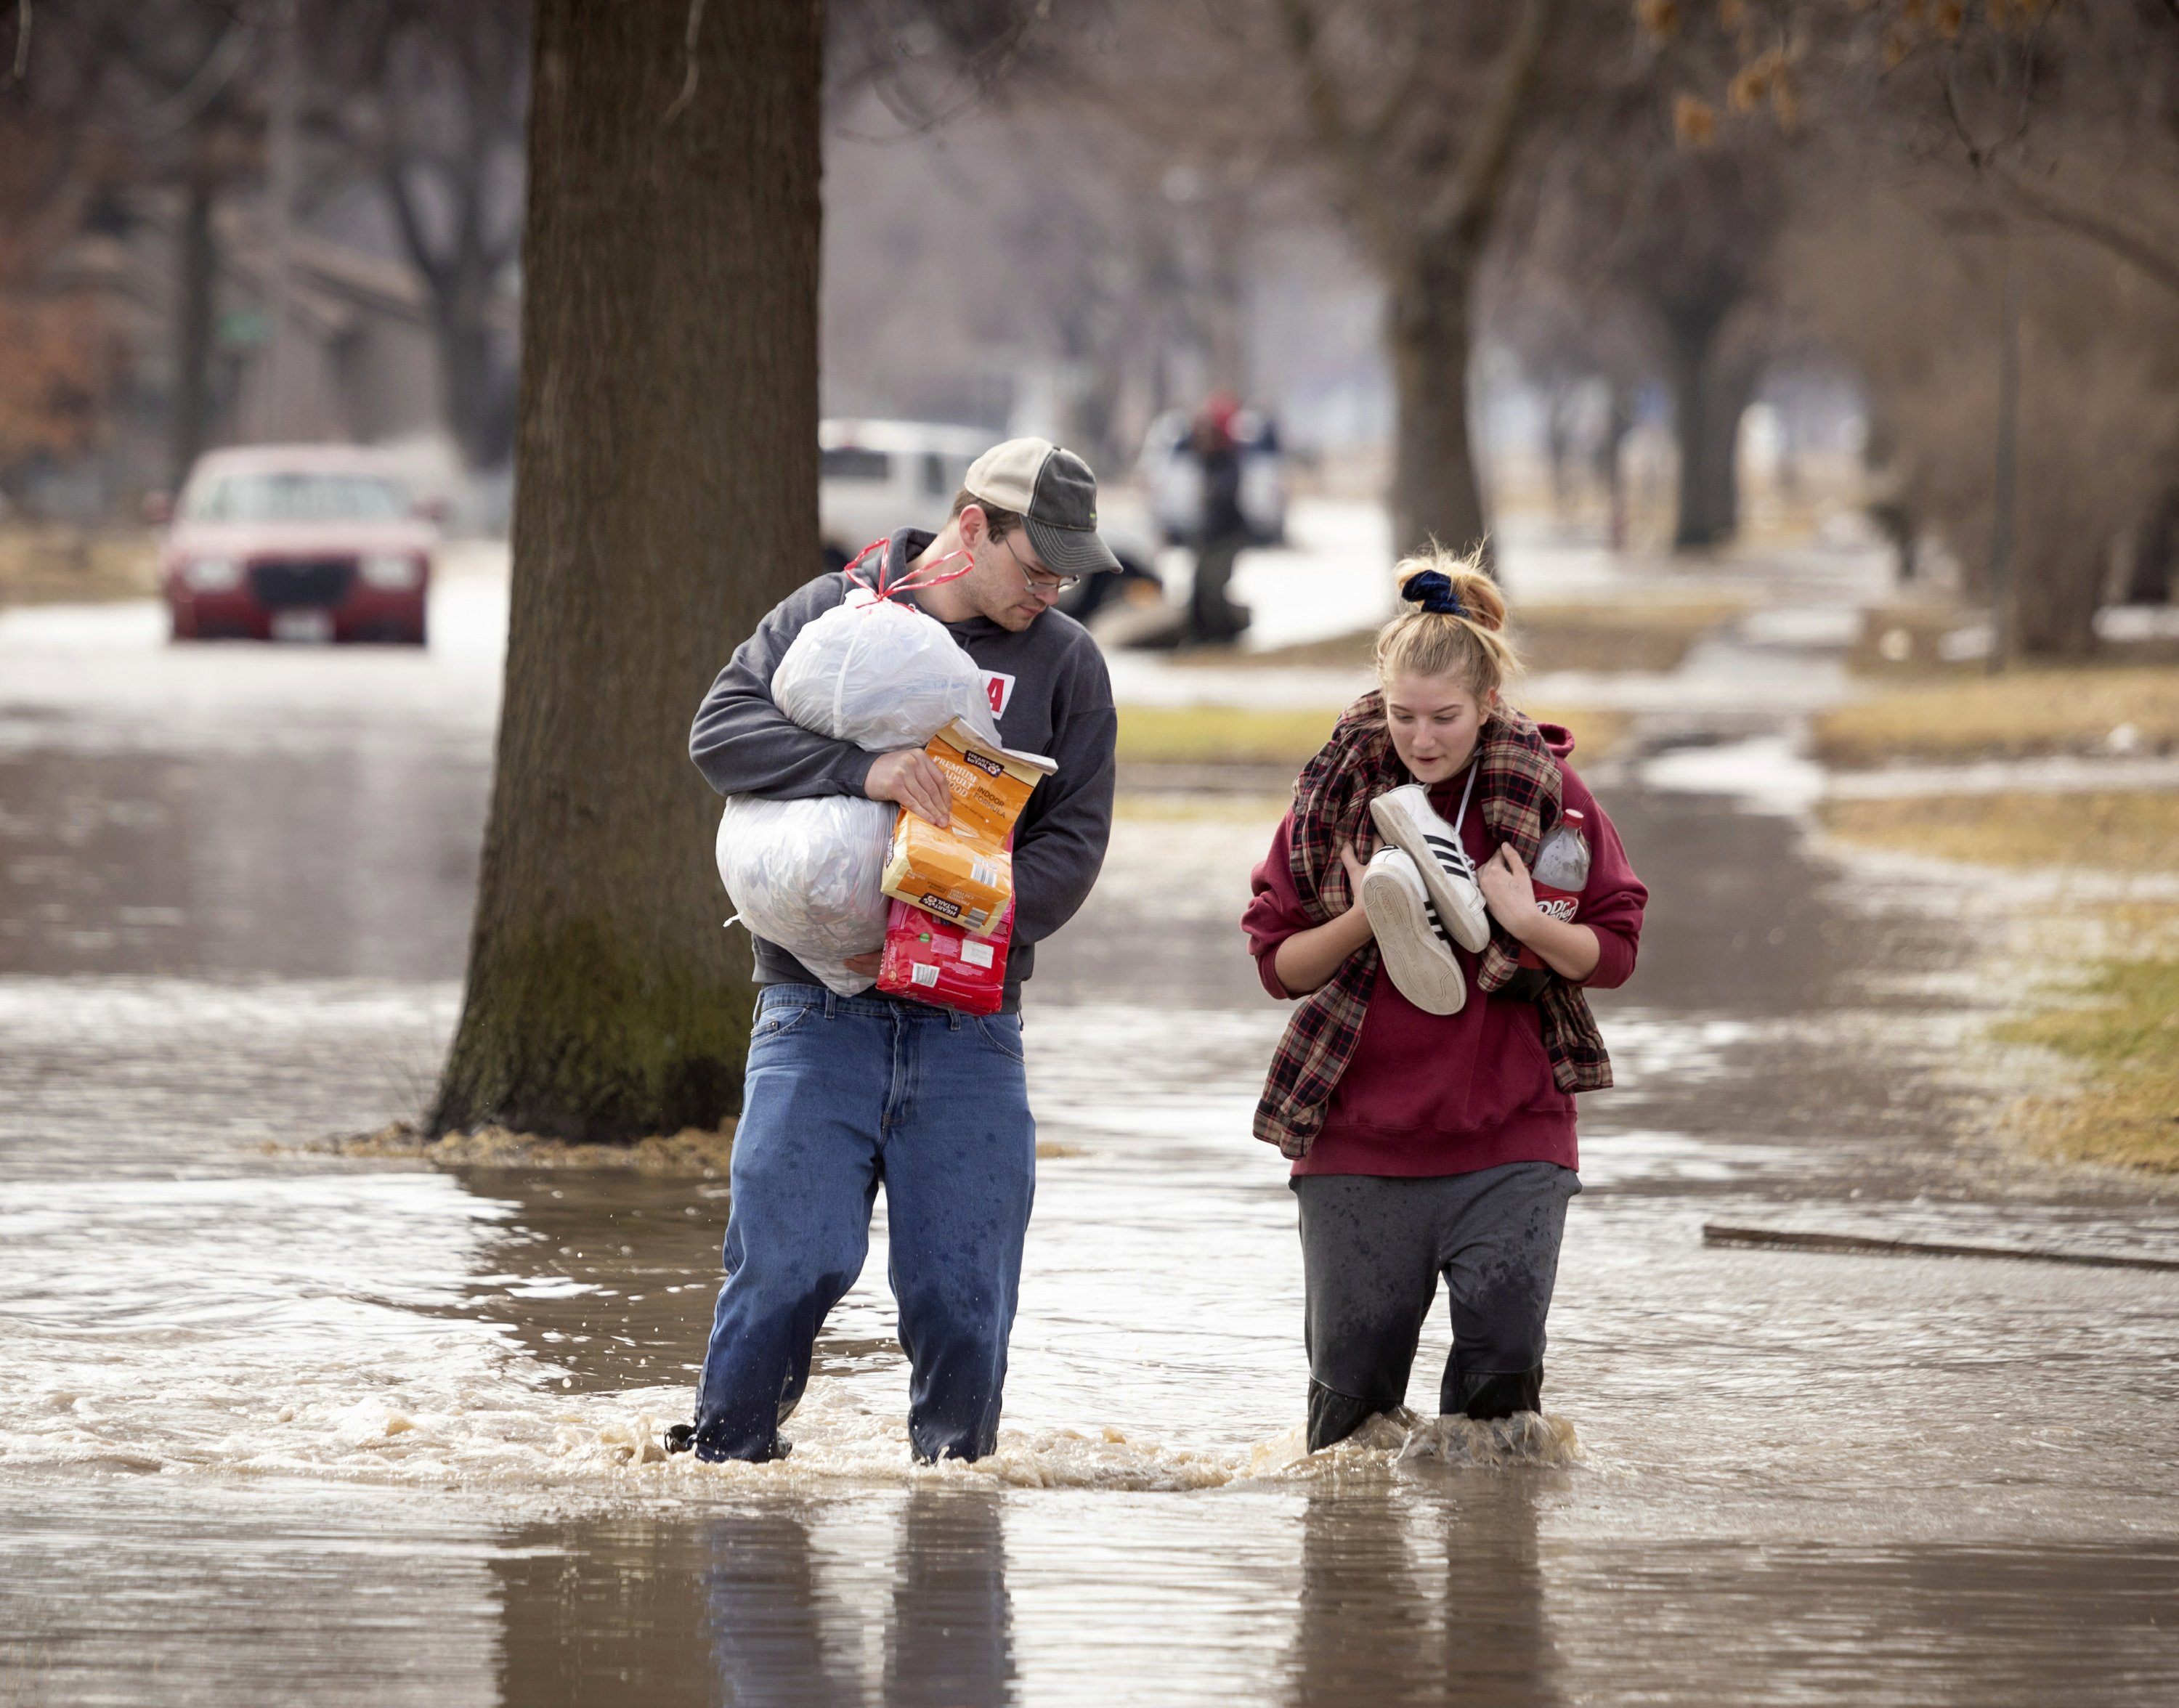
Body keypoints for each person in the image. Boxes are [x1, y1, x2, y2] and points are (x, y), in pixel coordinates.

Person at [672, 437, 1121, 1464]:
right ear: (972, 529)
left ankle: (953, 1499)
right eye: (1036, 563)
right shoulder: (836, 610)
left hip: (971, 1022)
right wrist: (860, 769)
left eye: (1068, 571)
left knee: (963, 1296)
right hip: (811, 1012)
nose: (1052, 589)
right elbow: (720, 733)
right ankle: (727, 1472)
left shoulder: (1068, 664)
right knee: (790, 1265)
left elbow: (1077, 841)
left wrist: (970, 915)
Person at [1240, 549, 1647, 1452]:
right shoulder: (1331, 800)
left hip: (1512, 1143)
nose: (1421, 740)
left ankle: (1493, 1583)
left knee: (1503, 1423)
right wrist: (1360, 920)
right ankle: (1361, 1578)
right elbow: (1278, 967)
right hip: (1356, 1146)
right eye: (1401, 715)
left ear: (1490, 703)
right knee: (1350, 1439)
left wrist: (1520, 919)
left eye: (1445, 719)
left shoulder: (1556, 801)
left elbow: (1614, 951)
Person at [1185, 393, 1252, 645]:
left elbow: (1222, 499)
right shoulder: (1206, 460)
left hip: (1226, 536)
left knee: (1214, 589)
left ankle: (1224, 638)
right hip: (1209, 537)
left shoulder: (1227, 462)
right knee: (1199, 587)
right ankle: (1201, 637)